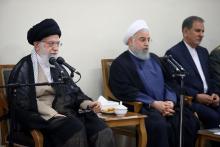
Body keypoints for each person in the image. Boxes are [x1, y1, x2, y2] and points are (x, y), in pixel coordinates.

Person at [7, 18, 115, 147]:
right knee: (74, 129)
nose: (55, 48)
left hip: (66, 114)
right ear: (36, 45)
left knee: (100, 129)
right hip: (42, 117)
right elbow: (22, 101)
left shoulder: (57, 66)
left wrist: (89, 104)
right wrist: (54, 114)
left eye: (58, 44)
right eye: (51, 44)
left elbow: (74, 92)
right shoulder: (24, 67)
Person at [109, 19, 199, 147]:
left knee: (187, 121)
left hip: (166, 107)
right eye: (142, 39)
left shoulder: (155, 58)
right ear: (130, 41)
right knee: (159, 125)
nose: (147, 43)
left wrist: (170, 101)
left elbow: (169, 82)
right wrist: (153, 103)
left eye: (148, 39)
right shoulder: (120, 64)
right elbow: (124, 90)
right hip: (144, 108)